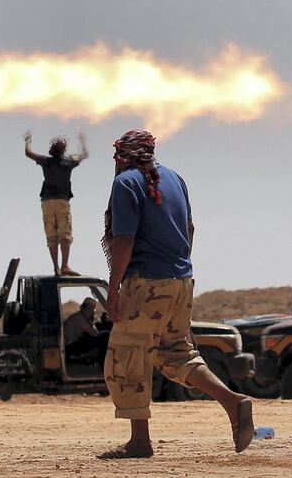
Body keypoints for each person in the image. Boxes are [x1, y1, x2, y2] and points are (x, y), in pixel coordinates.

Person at [98, 129, 254, 459]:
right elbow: (190, 228)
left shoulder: (125, 182)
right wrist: (177, 266)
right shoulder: (176, 179)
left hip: (146, 283)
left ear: (124, 155)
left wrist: (114, 288)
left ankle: (140, 442)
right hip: (182, 281)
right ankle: (232, 401)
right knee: (174, 353)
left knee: (127, 359)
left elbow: (123, 240)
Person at [24, 131, 89, 276]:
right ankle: (64, 265)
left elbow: (28, 153)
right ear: (64, 149)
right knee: (65, 235)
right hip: (61, 202)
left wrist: (28, 141)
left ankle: (56, 268)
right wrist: (82, 140)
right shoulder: (68, 162)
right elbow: (84, 154)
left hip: (47, 202)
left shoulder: (46, 161)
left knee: (51, 236)